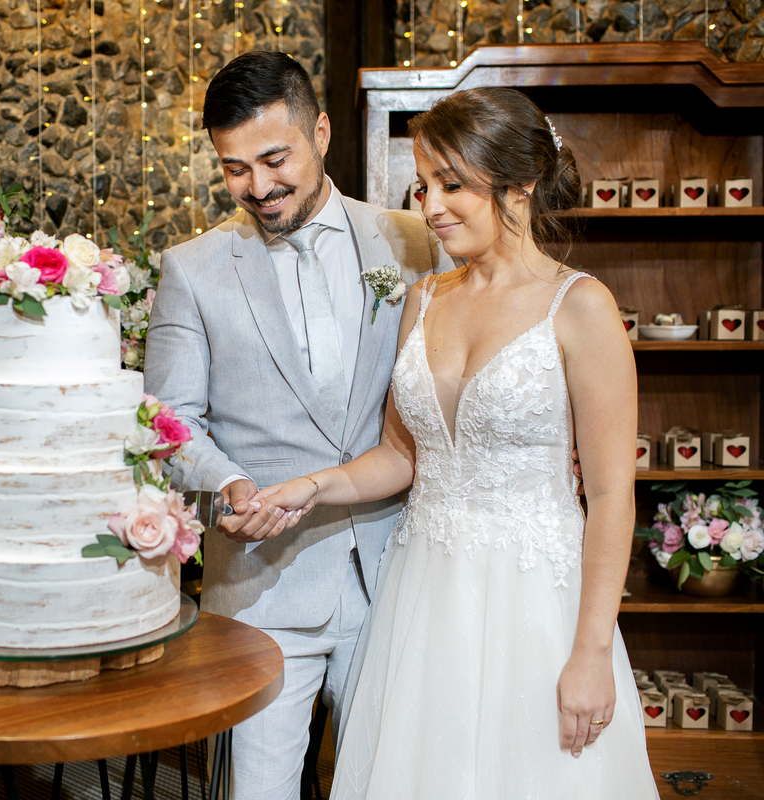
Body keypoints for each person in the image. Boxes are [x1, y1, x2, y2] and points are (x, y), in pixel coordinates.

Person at [255, 87, 659, 798]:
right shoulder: (425, 298)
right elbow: (404, 456)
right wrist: (311, 487)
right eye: (422, 185)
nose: (430, 207)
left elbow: (612, 497)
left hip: (536, 603)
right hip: (426, 596)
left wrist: (592, 650)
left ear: (520, 184)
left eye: (452, 185)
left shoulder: (582, 307)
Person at [143, 52, 453, 799]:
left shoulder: (414, 240)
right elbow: (166, 419)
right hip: (260, 590)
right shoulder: (192, 268)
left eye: (274, 158)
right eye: (234, 168)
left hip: (397, 575)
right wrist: (232, 483)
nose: (258, 186)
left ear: (320, 132)